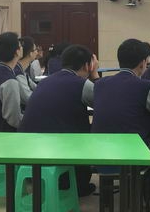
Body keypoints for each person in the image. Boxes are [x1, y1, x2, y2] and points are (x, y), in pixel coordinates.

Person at [93, 39, 150, 201]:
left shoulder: (100, 84)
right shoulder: (145, 86)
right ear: (142, 63)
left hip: (101, 154)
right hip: (134, 155)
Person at [19, 44, 99, 196]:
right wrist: (95, 75)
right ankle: (77, 185)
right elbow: (103, 104)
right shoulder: (82, 84)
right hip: (57, 152)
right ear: (87, 65)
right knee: (89, 132)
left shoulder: (45, 82)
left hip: (29, 152)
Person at [15, 36, 38, 107]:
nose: (37, 52)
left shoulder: (22, 70)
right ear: (30, 53)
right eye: (36, 50)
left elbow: (36, 87)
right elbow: (28, 98)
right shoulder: (18, 73)